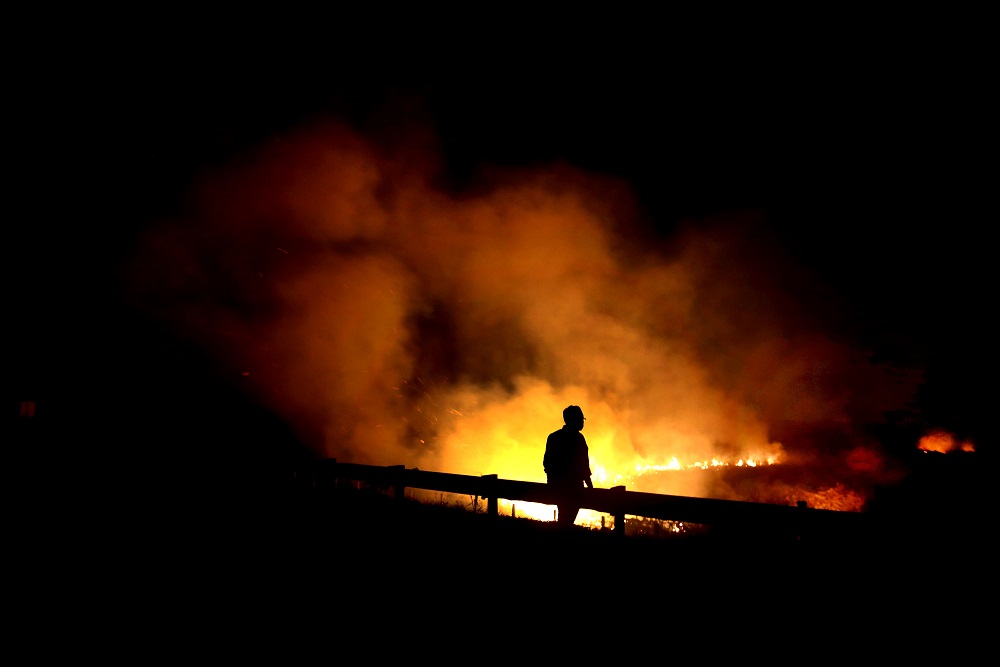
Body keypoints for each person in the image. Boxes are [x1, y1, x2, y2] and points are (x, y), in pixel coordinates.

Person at [543, 404, 594, 526]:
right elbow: (583, 467)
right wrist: (591, 489)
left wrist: (553, 480)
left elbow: (546, 462)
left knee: (564, 517)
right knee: (566, 521)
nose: (583, 422)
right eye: (581, 418)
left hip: (555, 487)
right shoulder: (578, 439)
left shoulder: (553, 437)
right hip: (573, 489)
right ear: (574, 419)